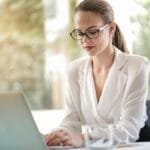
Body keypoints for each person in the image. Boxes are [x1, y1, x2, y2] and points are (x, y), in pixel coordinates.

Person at [45, 0, 149, 147]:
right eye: (80, 33)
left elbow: (128, 130)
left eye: (92, 32)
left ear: (111, 28)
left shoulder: (137, 66)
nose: (85, 40)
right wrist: (57, 135)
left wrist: (84, 138)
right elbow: (71, 121)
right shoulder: (74, 70)